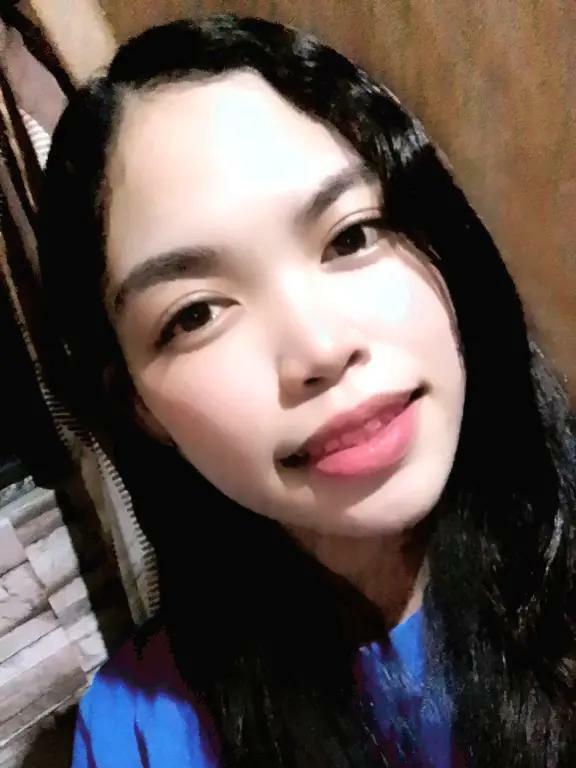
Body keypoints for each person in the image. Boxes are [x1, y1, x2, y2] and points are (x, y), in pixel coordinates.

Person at [36, 14, 576, 768]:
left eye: (352, 236)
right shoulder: (142, 732)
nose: (320, 349)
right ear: (138, 404)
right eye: (195, 314)